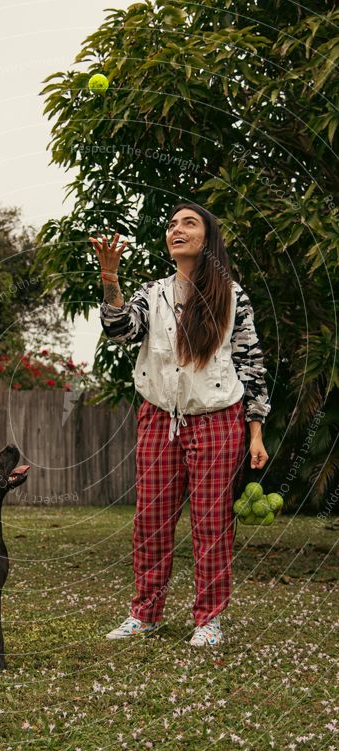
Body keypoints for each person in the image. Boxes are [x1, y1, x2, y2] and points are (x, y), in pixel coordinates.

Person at [89, 201, 271, 646]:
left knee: (211, 524)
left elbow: (251, 363)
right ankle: (145, 614)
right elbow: (120, 331)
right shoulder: (152, 293)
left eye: (189, 223)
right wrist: (111, 282)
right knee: (150, 519)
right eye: (172, 224)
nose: (177, 229)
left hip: (216, 419)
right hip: (158, 419)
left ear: (207, 238)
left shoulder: (232, 295)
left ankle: (208, 620)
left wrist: (256, 432)